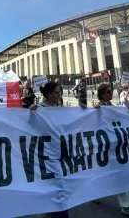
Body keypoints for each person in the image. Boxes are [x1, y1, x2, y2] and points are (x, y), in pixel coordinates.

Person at [30, 82, 85, 218]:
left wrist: (84, 111)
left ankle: (55, 208)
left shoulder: (60, 107)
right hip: (48, 152)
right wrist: (31, 113)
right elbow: (31, 126)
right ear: (48, 94)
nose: (59, 94)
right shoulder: (40, 108)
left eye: (60, 92)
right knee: (58, 183)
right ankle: (60, 211)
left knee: (61, 182)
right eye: (57, 92)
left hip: (62, 149)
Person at [94, 83, 129, 218]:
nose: (111, 93)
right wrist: (94, 111)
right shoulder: (98, 108)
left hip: (120, 146)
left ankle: (127, 206)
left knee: (126, 174)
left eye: (111, 91)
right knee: (105, 175)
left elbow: (122, 116)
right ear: (102, 94)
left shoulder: (112, 106)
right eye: (108, 91)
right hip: (106, 148)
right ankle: (95, 191)